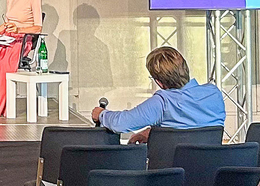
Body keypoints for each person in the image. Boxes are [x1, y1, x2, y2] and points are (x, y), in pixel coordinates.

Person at [91, 46, 226, 142]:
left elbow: (121, 123)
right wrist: (153, 133)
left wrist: (101, 114)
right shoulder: (214, 94)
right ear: (185, 68)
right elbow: (193, 129)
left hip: (169, 176)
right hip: (208, 174)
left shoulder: (162, 102)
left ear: (159, 82)